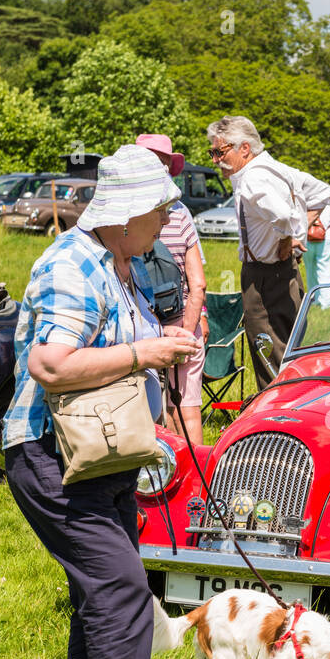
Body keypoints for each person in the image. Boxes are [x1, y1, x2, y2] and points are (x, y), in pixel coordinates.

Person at [0, 144, 202, 659]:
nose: (167, 219)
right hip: (52, 456)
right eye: (159, 209)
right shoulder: (74, 264)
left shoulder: (118, 261)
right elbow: (51, 364)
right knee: (120, 590)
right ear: (125, 212)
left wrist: (160, 343)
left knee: (101, 592)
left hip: (98, 457)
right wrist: (146, 354)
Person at [208, 115, 330, 388]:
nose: (215, 160)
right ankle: (297, 403)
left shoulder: (253, 178)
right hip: (286, 272)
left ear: (244, 148)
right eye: (212, 152)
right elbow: (323, 192)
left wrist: (288, 238)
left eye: (220, 152)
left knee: (267, 349)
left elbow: (284, 216)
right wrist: (294, 235)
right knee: (291, 346)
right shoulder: (278, 169)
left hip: (264, 276)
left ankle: (276, 416)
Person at [136, 133, 208, 443]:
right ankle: (200, 478)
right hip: (183, 321)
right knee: (187, 409)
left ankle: (161, 479)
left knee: (151, 411)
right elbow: (199, 283)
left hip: (144, 328)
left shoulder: (129, 217)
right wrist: (189, 328)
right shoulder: (180, 214)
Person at [305, 199, 330, 309]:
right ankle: (326, 303)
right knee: (327, 271)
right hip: (327, 240)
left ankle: (314, 299)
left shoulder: (306, 206)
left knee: (310, 270)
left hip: (307, 241)